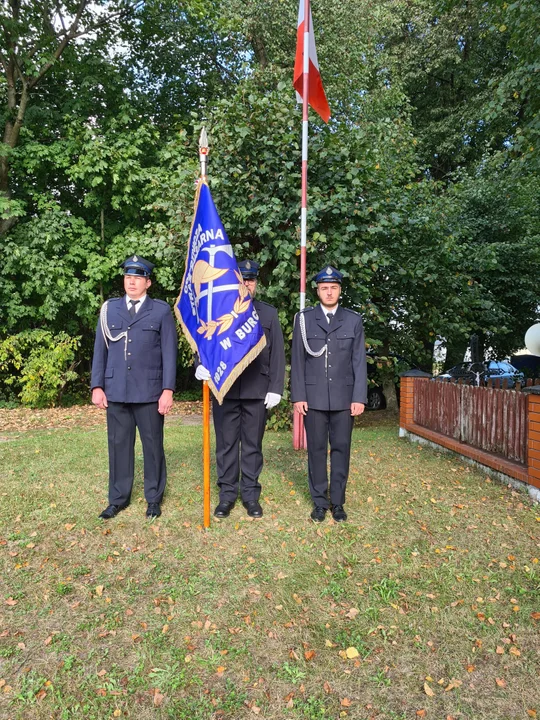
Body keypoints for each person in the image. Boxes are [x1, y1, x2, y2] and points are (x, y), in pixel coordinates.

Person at [195, 260, 286, 519]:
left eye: (251, 280)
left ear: (256, 284)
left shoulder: (268, 314)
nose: (246, 284)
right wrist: (199, 365)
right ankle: (226, 496)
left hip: (257, 390)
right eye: (242, 279)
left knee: (252, 445)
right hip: (225, 389)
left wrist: (276, 388)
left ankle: (250, 495)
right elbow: (205, 343)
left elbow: (278, 353)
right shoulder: (219, 311)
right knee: (225, 445)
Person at [91, 255, 178, 520]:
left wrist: (168, 390)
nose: (132, 281)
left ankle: (153, 499)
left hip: (150, 393)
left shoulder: (161, 311)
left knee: (152, 447)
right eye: (128, 277)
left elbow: (169, 353)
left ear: (148, 283)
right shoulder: (110, 310)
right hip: (116, 390)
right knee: (118, 446)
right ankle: (118, 498)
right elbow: (100, 351)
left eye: (138, 277)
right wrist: (97, 385)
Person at [290, 265, 367, 523]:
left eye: (334, 288)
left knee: (341, 449)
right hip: (313, 399)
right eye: (325, 288)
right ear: (318, 290)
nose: (329, 292)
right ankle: (319, 502)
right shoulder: (304, 320)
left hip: (345, 399)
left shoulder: (353, 320)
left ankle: (338, 503)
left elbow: (359, 362)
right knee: (316, 450)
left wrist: (359, 397)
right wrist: (298, 396)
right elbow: (298, 361)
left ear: (340, 290)